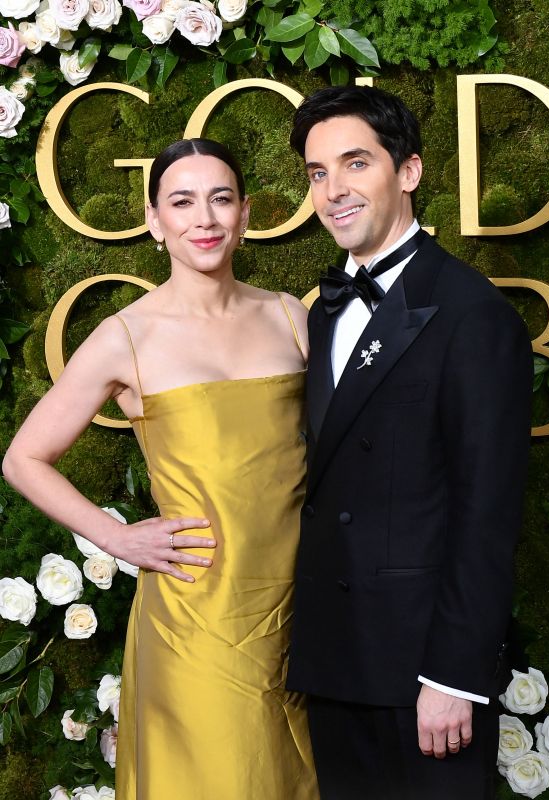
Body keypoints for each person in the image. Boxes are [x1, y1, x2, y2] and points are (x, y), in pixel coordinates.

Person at [2, 138, 318, 800]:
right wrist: (116, 538)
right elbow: (23, 458)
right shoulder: (127, 336)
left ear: (246, 214)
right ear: (154, 221)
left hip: (303, 609)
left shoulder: (290, 316)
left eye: (220, 199)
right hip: (196, 614)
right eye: (182, 202)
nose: (203, 219)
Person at [285, 85, 533, 800]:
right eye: (318, 172)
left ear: (410, 172)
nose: (333, 191)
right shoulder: (327, 311)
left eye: (355, 164)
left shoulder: (473, 314)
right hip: (338, 663)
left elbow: (486, 513)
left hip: (423, 675)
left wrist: (453, 677)